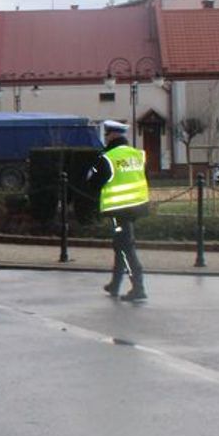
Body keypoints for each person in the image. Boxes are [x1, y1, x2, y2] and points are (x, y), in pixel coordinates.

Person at [85, 119, 150, 302]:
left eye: (106, 134)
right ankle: (115, 283)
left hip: (118, 208)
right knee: (121, 245)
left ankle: (138, 287)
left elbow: (93, 182)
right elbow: (145, 177)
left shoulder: (108, 158)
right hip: (136, 206)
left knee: (125, 248)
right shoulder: (137, 154)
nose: (105, 138)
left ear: (113, 135)